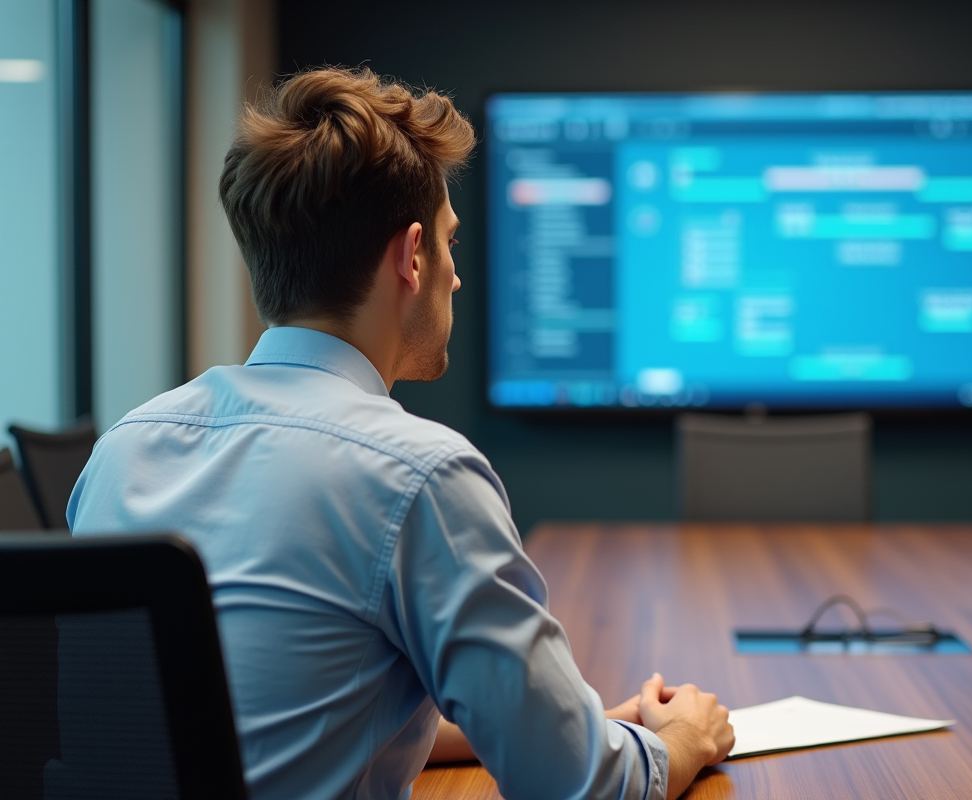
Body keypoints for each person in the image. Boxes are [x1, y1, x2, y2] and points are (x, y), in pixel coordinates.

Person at [67, 66, 734, 800]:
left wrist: (556, 722)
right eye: (449, 244)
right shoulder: (418, 475)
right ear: (411, 257)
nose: (455, 277)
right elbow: (580, 789)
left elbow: (263, 719)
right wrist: (681, 742)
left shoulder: (122, 450)